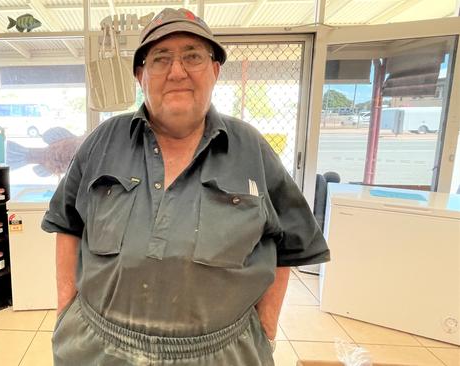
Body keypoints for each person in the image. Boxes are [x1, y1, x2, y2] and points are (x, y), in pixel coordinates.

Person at [42, 8, 330, 365]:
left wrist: (266, 329)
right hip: (99, 349)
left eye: (192, 56)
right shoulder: (102, 142)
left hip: (220, 354)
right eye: (160, 59)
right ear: (140, 75)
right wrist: (64, 311)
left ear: (214, 70)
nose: (177, 71)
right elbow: (67, 225)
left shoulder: (250, 148)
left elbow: (292, 243)